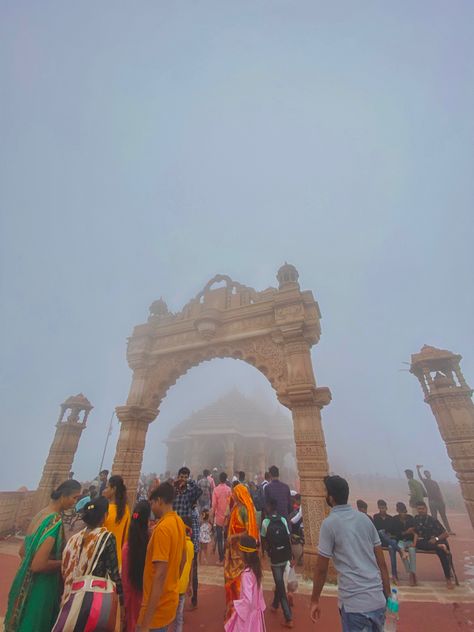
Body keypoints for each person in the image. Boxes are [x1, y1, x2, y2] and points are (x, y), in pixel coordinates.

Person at [310, 475, 390, 631]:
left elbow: (321, 569)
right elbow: (382, 564)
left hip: (354, 604)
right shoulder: (365, 520)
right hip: (378, 600)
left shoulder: (329, 524)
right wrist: (388, 596)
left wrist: (314, 600)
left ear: (331, 498)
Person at [4, 479, 81, 632]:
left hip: (22, 583)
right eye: (74, 498)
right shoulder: (54, 521)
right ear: (64, 496)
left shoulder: (40, 514)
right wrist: (63, 562)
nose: (74, 502)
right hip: (41, 588)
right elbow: (38, 565)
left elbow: (22, 552)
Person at [59, 496, 123, 628]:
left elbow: (64, 568)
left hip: (69, 598)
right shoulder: (106, 538)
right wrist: (121, 599)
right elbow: (114, 573)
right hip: (91, 602)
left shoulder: (73, 539)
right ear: (105, 515)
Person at [137, 482, 187, 632]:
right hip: (169, 600)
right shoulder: (178, 521)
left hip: (156, 609)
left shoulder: (163, 529)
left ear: (159, 500)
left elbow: (159, 575)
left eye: (152, 503)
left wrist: (146, 622)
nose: (151, 508)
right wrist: (172, 583)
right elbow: (183, 559)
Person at [224, 483, 260, 622]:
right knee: (230, 582)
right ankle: (231, 607)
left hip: (240, 552)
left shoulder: (244, 510)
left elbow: (247, 530)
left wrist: (234, 537)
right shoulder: (235, 508)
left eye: (234, 493)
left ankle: (240, 610)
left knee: (239, 582)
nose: (232, 494)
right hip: (232, 551)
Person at [261, 498, 293, 628]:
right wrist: (291, 555)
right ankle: (275, 604)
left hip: (274, 558)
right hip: (285, 556)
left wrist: (264, 553)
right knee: (278, 582)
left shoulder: (265, 522)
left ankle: (288, 617)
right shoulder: (283, 520)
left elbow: (263, 539)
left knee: (280, 586)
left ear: (268, 507)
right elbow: (288, 536)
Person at [173, 467, 203, 609]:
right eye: (181, 476)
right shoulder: (173, 492)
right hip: (175, 531)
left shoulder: (190, 492)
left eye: (185, 476)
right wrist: (175, 482)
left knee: (192, 568)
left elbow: (199, 490)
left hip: (187, 534)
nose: (183, 479)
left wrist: (188, 481)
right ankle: (174, 597)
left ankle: (194, 597)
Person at [224, 535, 266, 632]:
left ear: (244, 554)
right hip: (255, 614)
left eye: (239, 550)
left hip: (248, 618)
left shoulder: (246, 575)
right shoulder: (255, 570)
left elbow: (248, 600)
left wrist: (234, 604)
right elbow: (259, 595)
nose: (238, 553)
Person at [122, 500, 151, 632]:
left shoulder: (127, 547)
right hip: (147, 595)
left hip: (130, 595)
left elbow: (125, 578)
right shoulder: (151, 542)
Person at [413, 501, 454, 589]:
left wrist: (436, 539)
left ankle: (448, 579)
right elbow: (416, 533)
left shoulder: (433, 520)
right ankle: (440, 547)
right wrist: (413, 544)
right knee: (419, 544)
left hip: (437, 540)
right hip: (426, 542)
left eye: (422, 509)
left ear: (426, 509)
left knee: (441, 552)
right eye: (419, 509)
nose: (420, 511)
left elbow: (446, 534)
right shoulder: (416, 519)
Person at [373, 499, 406, 584]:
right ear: (378, 508)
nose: (382, 509)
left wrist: (387, 533)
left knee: (392, 547)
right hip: (379, 541)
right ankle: (400, 550)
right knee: (380, 532)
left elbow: (391, 530)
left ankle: (394, 575)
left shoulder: (390, 518)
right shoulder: (376, 517)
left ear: (386, 508)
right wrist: (384, 532)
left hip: (389, 540)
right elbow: (376, 529)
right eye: (380, 508)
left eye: (383, 507)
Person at [171, 517, 195, 632]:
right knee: (179, 615)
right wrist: (190, 584)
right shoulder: (191, 545)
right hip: (184, 583)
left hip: (173, 583)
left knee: (169, 615)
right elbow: (191, 567)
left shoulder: (177, 543)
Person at [103, 474, 130, 569]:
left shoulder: (105, 509)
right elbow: (126, 537)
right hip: (117, 559)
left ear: (113, 489)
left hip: (102, 558)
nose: (104, 490)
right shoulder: (125, 509)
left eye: (107, 487)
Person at [416, 464, 453, 533]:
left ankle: (449, 530)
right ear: (425, 475)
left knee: (443, 516)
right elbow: (420, 477)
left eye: (428, 473)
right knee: (434, 517)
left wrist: (442, 500)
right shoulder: (426, 481)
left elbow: (439, 491)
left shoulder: (434, 482)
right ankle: (437, 531)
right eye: (426, 473)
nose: (427, 474)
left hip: (439, 501)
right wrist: (418, 469)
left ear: (430, 474)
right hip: (432, 501)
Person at [391, 502, 417, 586]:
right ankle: (411, 572)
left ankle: (412, 574)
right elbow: (397, 534)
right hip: (401, 541)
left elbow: (415, 532)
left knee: (412, 550)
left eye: (404, 512)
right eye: (401, 512)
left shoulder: (411, 518)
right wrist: (406, 532)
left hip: (409, 541)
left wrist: (413, 543)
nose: (403, 514)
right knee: (401, 551)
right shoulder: (394, 519)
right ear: (397, 511)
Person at [211, 471, 232, 563]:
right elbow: (231, 503)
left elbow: (214, 504)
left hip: (219, 516)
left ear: (219, 479)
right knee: (226, 537)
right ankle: (226, 556)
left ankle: (221, 558)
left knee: (219, 538)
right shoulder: (229, 489)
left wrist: (212, 515)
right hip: (227, 516)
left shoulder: (216, 490)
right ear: (226, 479)